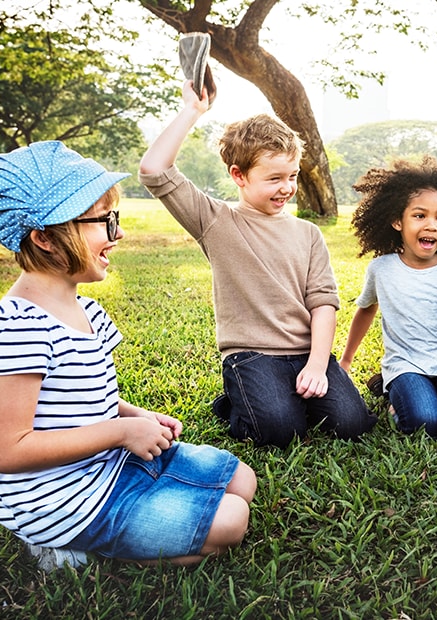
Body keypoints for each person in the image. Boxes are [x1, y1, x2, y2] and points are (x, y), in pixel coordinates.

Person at [0, 141, 257, 571]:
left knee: (242, 482)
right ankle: (79, 552)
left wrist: (133, 416)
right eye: (104, 221)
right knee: (232, 520)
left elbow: (80, 399)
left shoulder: (86, 310)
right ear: (44, 237)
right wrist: (120, 433)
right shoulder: (21, 328)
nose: (117, 234)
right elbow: (9, 449)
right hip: (62, 500)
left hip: (106, 466)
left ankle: (131, 522)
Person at [138, 80, 376, 448]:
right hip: (251, 356)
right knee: (279, 431)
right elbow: (154, 171)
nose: (287, 187)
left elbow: (323, 304)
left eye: (292, 176)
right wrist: (192, 111)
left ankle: (287, 396)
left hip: (305, 352)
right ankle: (237, 401)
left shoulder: (308, 233)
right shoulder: (215, 221)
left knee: (352, 424)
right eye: (274, 178)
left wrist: (316, 365)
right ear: (239, 176)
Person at [339, 157, 437, 437]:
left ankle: (397, 389)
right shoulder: (381, 269)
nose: (432, 225)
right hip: (405, 363)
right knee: (425, 421)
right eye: (420, 216)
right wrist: (346, 360)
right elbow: (366, 309)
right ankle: (395, 396)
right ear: (397, 221)